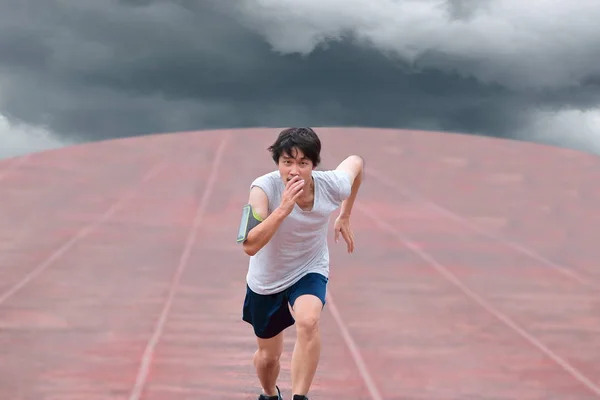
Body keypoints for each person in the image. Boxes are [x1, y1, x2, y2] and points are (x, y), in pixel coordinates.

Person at [238, 127, 364, 400]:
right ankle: (269, 393)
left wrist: (345, 215)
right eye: (287, 162)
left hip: (309, 268)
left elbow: (356, 162)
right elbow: (249, 245)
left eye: (303, 163)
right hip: (267, 278)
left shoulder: (331, 185)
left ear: (313, 165)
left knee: (308, 321)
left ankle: (300, 396)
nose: (294, 171)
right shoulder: (263, 189)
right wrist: (283, 207)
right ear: (278, 164)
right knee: (268, 357)